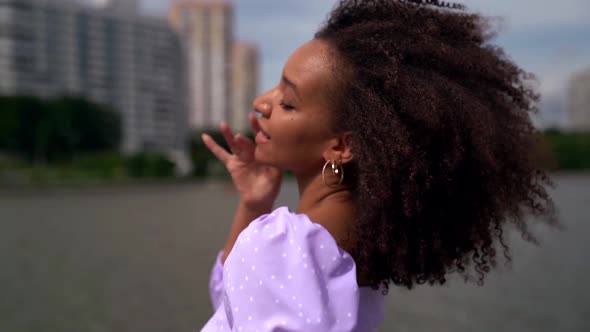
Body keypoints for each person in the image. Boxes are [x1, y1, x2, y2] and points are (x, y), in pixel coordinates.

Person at [199, 0, 556, 331]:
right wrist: (254, 201)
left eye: (288, 102)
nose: (262, 102)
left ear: (340, 146)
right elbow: (234, 303)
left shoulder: (280, 244)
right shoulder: (354, 257)